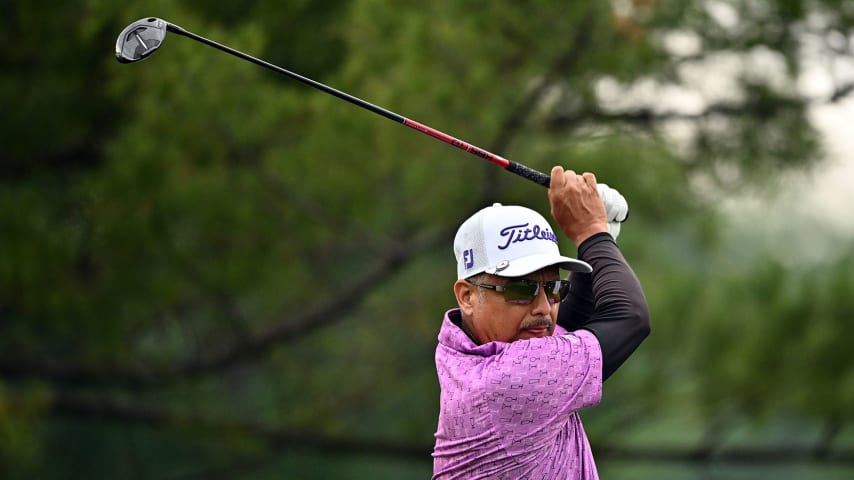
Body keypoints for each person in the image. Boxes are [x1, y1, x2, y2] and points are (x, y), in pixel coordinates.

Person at [431, 166, 650, 479]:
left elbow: (569, 329)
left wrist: (601, 232)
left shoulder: (461, 353)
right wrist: (592, 232)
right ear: (467, 296)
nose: (544, 308)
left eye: (554, 287)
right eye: (522, 288)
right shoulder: (504, 382)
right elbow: (630, 318)